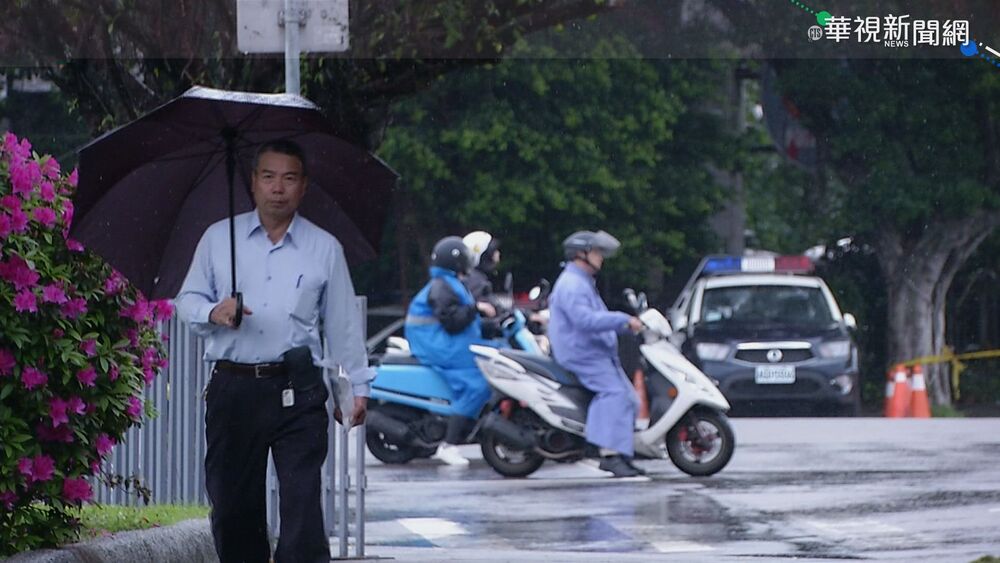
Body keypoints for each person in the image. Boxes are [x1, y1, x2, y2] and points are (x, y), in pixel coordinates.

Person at [175, 139, 373, 563]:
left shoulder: (324, 249)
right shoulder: (218, 239)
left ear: (303, 187)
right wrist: (215, 310)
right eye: (268, 177)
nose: (277, 188)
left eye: (288, 178)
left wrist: (357, 387)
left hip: (297, 389)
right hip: (233, 387)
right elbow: (186, 302)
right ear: (253, 183)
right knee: (232, 507)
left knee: (301, 504)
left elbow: (341, 326)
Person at [547, 230, 645, 478]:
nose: (601, 257)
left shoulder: (582, 282)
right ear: (581, 254)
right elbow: (585, 320)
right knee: (614, 394)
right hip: (582, 353)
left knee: (631, 399)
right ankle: (608, 454)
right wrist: (623, 320)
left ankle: (622, 452)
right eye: (597, 252)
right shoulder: (572, 284)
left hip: (595, 352)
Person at [405, 236, 495, 466]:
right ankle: (449, 445)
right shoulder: (441, 286)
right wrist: (476, 309)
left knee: (496, 354)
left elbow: (463, 321)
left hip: (445, 343)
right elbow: (453, 322)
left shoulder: (450, 282)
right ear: (456, 262)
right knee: (479, 382)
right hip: (437, 346)